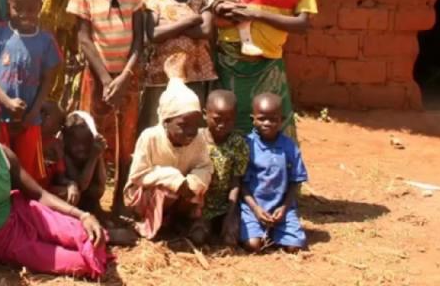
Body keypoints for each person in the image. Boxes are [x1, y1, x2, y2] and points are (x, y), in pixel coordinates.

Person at [0, 88, 110, 279]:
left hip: (21, 212)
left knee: (90, 235)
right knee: (81, 263)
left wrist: (83, 215)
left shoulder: (3, 153)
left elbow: (38, 193)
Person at [213, 0, 317, 136]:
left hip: (268, 63)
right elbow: (216, 4)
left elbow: (302, 25)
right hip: (231, 61)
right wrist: (223, 9)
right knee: (230, 122)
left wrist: (257, 14)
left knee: (272, 125)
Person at [67, 0, 144, 215]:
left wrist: (124, 77)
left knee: (126, 140)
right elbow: (84, 39)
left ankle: (120, 200)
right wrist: (106, 79)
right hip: (97, 78)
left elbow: (138, 40)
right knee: (93, 137)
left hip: (127, 79)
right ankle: (93, 199)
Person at [0, 0, 61, 182]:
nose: (24, 14)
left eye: (31, 9)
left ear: (40, 5)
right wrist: (6, 101)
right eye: (18, 8)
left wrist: (33, 112)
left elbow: (48, 79)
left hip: (30, 120)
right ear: (9, 5)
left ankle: (24, 202)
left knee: (26, 171)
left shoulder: (46, 40)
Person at [124, 79, 213, 242]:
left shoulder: (198, 139)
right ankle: (151, 225)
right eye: (183, 125)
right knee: (164, 192)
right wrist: (172, 179)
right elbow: (138, 175)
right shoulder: (150, 137)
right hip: (146, 196)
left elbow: (205, 166)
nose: (191, 131)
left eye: (195, 124)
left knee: (197, 189)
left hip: (181, 193)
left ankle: (177, 221)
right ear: (166, 121)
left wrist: (192, 183)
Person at [141, 0, 216, 132]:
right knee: (159, 124)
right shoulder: (155, 1)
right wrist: (188, 21)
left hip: (196, 74)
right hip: (161, 75)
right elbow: (153, 35)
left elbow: (205, 30)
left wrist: (167, 26)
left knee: (192, 125)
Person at [240, 92, 308, 253]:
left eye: (273, 119)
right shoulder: (247, 146)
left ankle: (276, 232)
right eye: (262, 119)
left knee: (294, 246)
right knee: (253, 245)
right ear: (253, 119)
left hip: (281, 208)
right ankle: (264, 233)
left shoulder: (289, 146)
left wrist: (284, 208)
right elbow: (241, 183)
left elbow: (295, 181)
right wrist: (256, 210)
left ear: (281, 120)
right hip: (253, 207)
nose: (267, 123)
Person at [202, 89, 249, 246]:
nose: (222, 125)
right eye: (217, 119)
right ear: (205, 114)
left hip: (227, 205)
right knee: (198, 237)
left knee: (231, 241)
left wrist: (230, 214)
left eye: (229, 120)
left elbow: (236, 181)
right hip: (202, 206)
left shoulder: (238, 143)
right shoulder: (197, 140)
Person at [51, 110, 107, 214]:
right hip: (69, 194)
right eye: (76, 143)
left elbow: (102, 183)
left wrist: (99, 155)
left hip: (85, 196)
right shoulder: (65, 156)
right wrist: (93, 158)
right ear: (66, 141)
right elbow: (81, 184)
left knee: (97, 189)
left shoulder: (93, 151)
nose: (81, 147)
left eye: (86, 142)